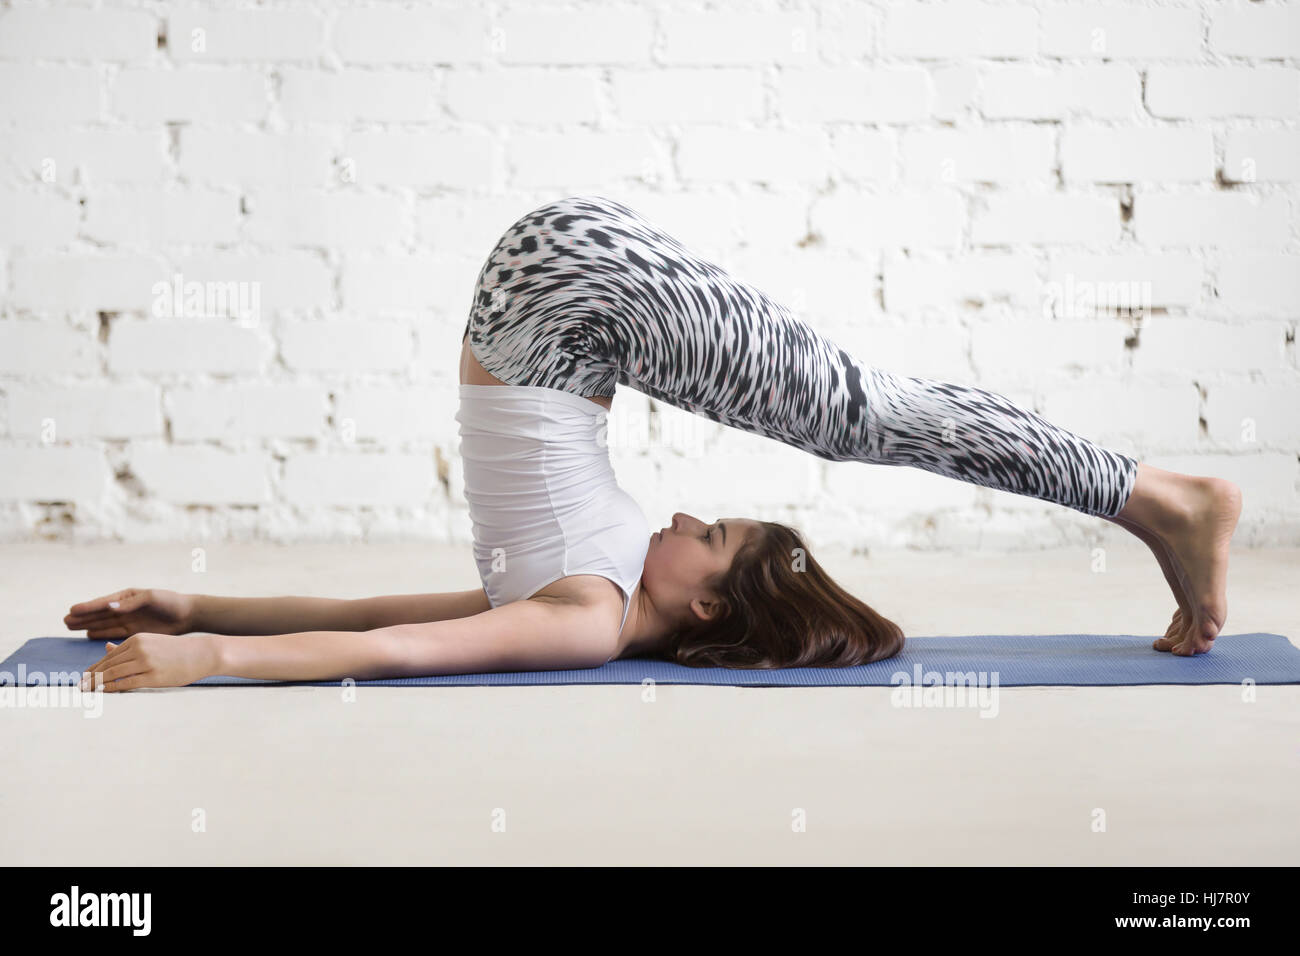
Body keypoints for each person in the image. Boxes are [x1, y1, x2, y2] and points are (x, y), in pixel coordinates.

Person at [67, 195, 1241, 691]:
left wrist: (199, 627)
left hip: (572, 295)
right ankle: (1153, 496)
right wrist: (197, 634)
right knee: (857, 411)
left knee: (859, 412)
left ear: (707, 610)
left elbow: (392, 635)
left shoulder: (584, 612)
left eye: (709, 537)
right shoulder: (598, 587)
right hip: (572, 302)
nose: (682, 515)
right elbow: (395, 632)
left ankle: (1158, 496)